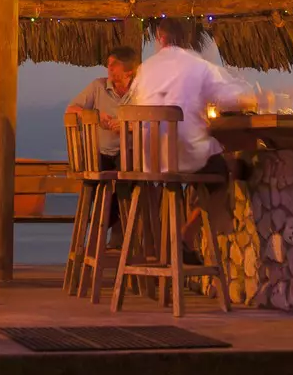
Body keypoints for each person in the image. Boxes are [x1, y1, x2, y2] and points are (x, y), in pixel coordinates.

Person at [126, 19, 250, 238]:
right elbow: (230, 98)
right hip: (184, 159)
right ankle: (189, 235)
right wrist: (253, 97)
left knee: (203, 166)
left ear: (159, 38)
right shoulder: (197, 64)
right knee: (223, 170)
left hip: (146, 161)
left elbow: (133, 105)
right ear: (185, 39)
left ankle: (167, 244)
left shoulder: (145, 68)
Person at [66, 46, 139, 164]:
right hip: (99, 153)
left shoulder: (141, 91)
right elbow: (71, 109)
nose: (109, 68)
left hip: (129, 153)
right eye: (109, 64)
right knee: (90, 174)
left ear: (129, 71)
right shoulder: (98, 86)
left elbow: (153, 123)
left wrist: (130, 127)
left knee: (129, 166)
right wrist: (96, 116)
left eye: (114, 64)